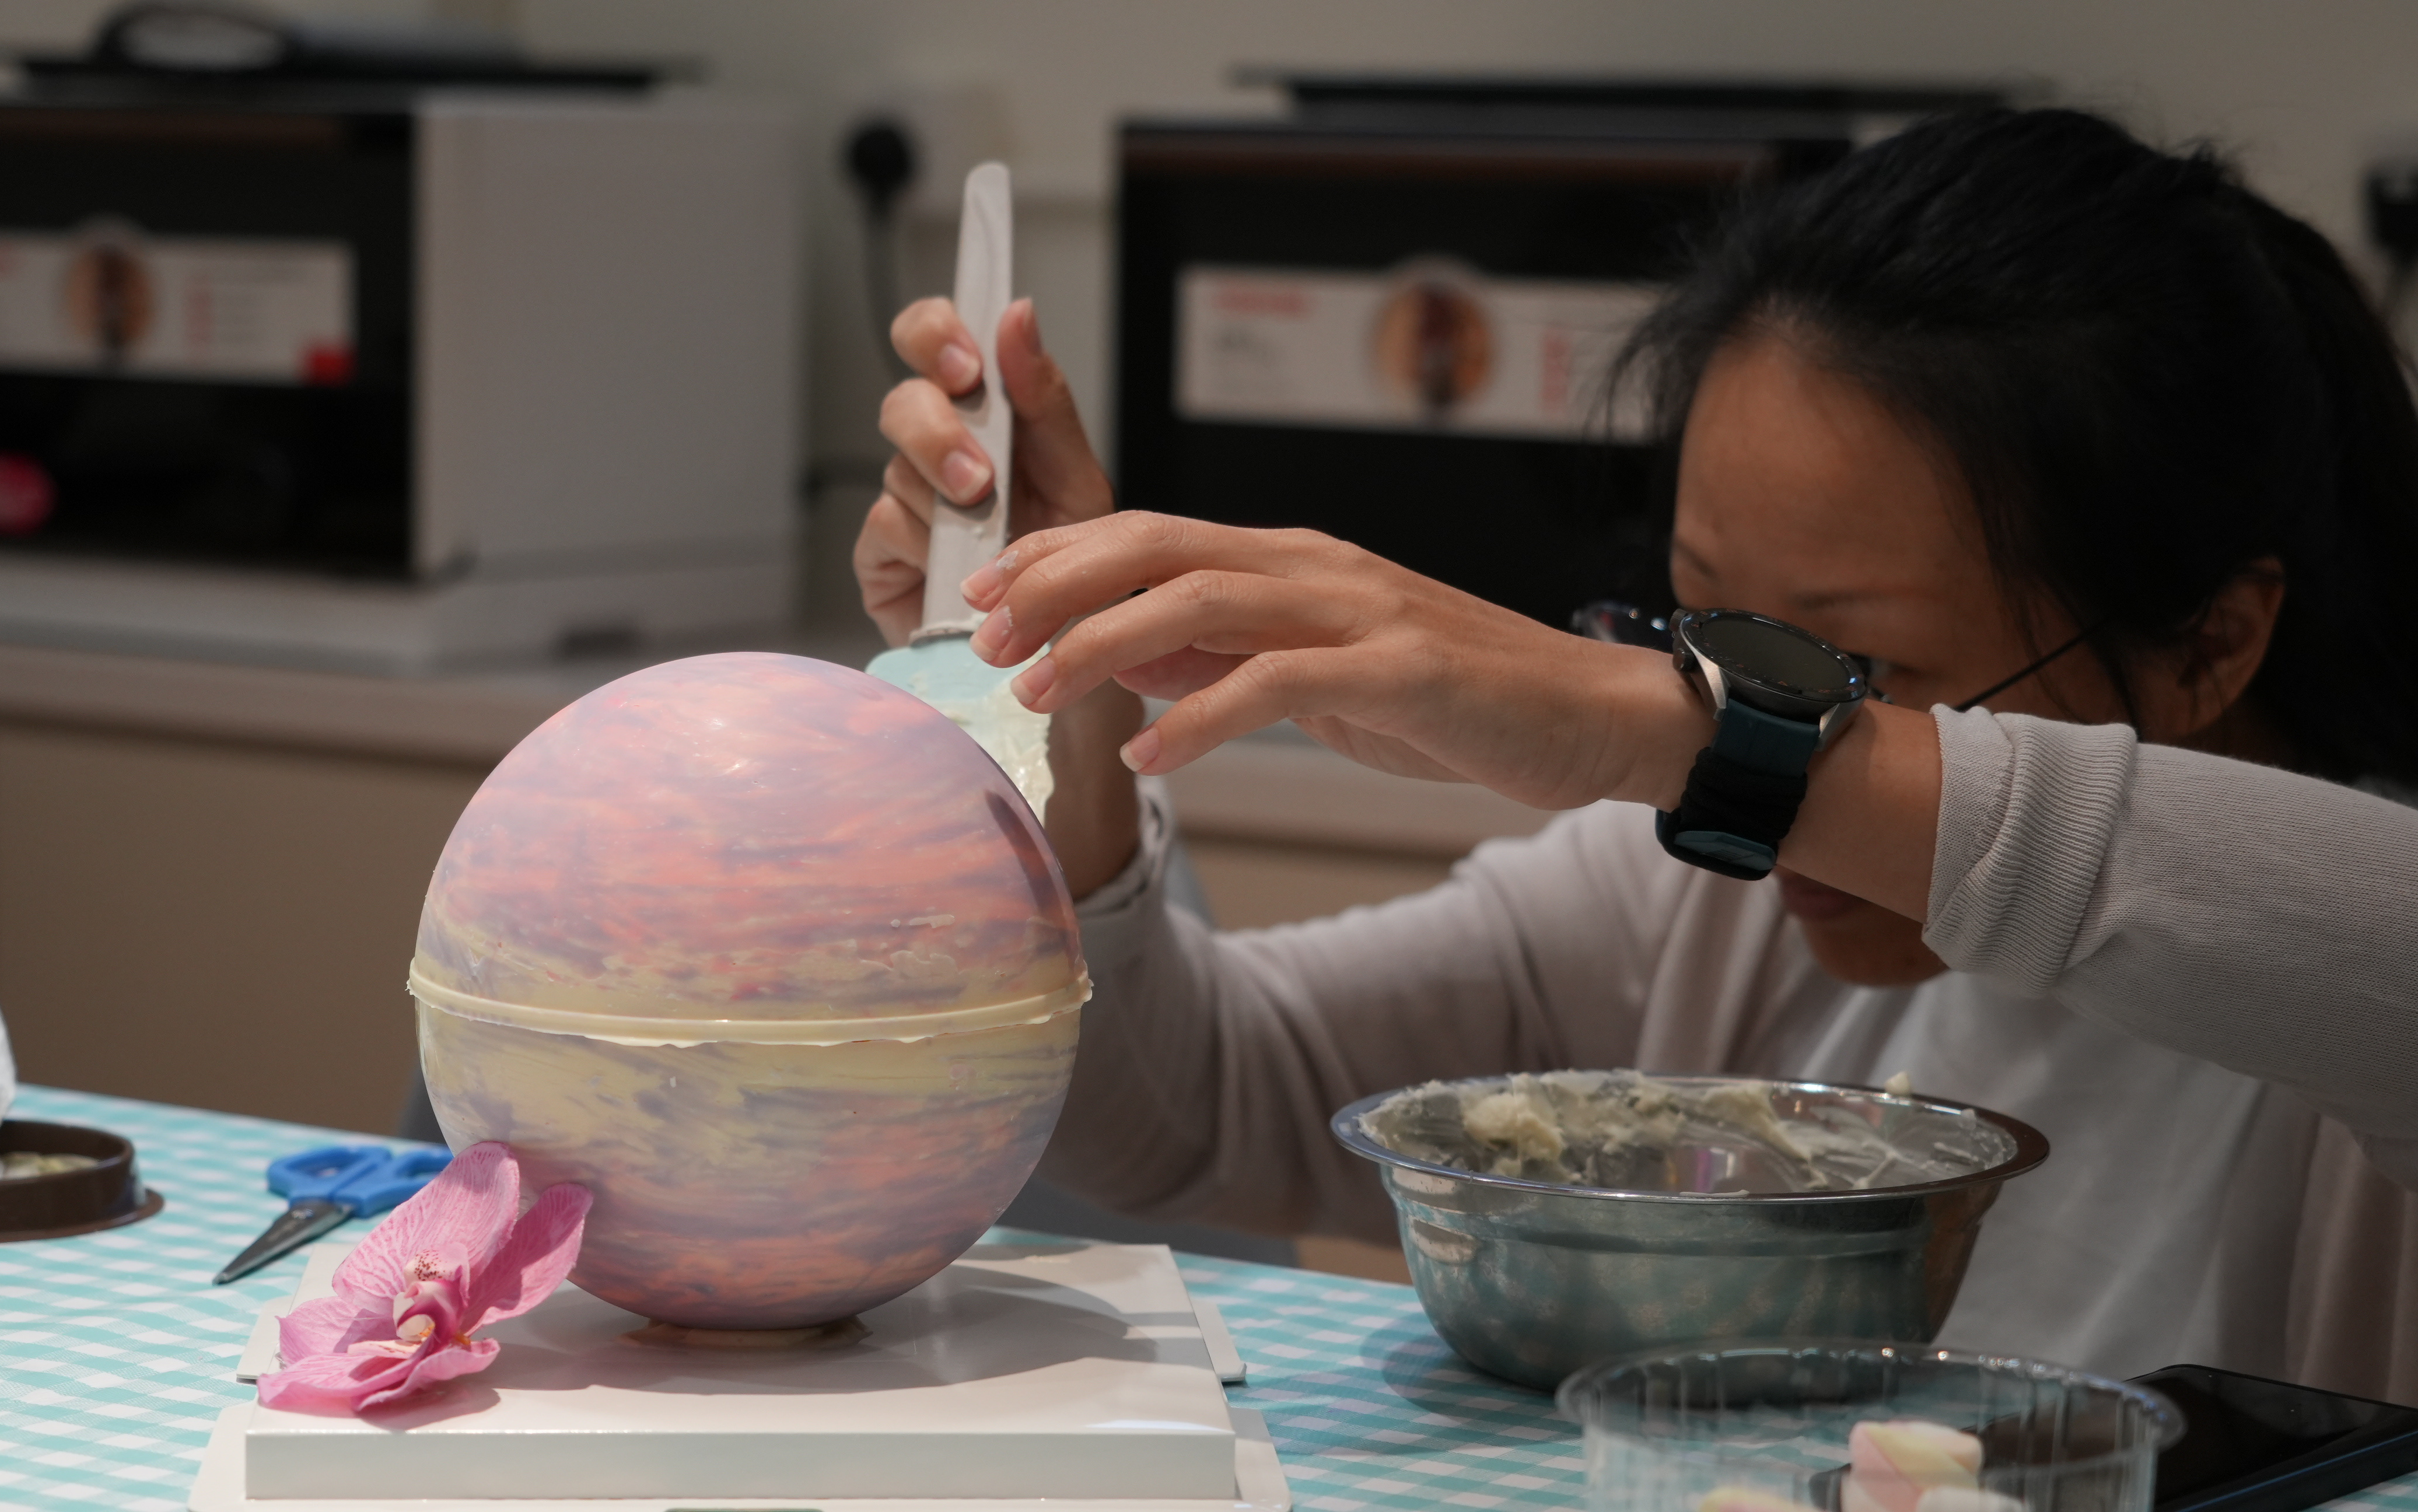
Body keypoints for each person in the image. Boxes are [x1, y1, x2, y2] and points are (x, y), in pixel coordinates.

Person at [854, 108, 2418, 1398]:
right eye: (1710, 633)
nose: (1757, 723)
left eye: (1864, 675)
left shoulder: (2347, 1007)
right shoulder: (1704, 909)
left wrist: (1676, 728)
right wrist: (1056, 697)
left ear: (2212, 645)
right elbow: (1191, 1107)